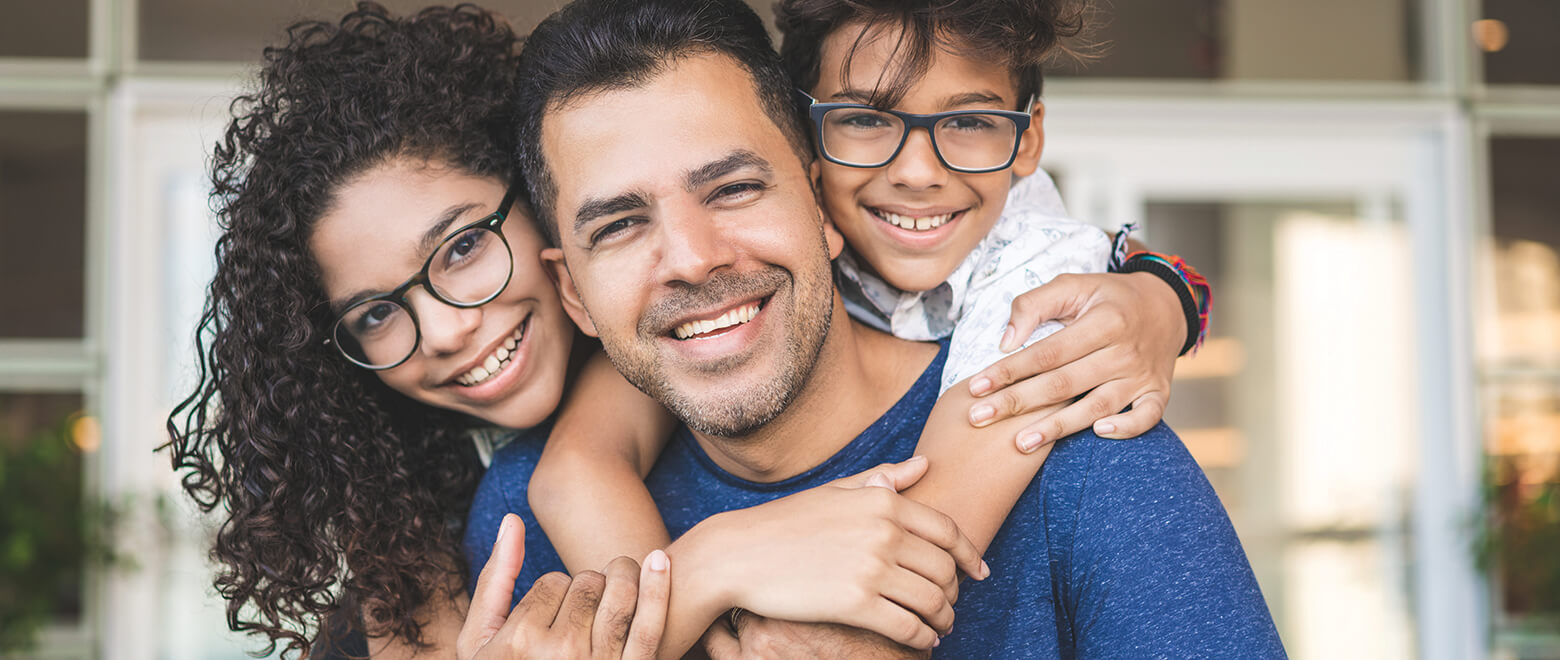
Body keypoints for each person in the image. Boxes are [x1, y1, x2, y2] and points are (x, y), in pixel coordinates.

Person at [164, 4, 986, 657]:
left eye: (462, 248)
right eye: (375, 314)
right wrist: (712, 565)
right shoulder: (437, 534)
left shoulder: (971, 338)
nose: (444, 330)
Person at [467, 0, 1285, 656]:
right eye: (618, 225)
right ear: (573, 292)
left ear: (817, 199)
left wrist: (1163, 296)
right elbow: (578, 463)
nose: (691, 259)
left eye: (735, 189)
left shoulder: (1083, 440)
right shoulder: (523, 521)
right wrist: (716, 563)